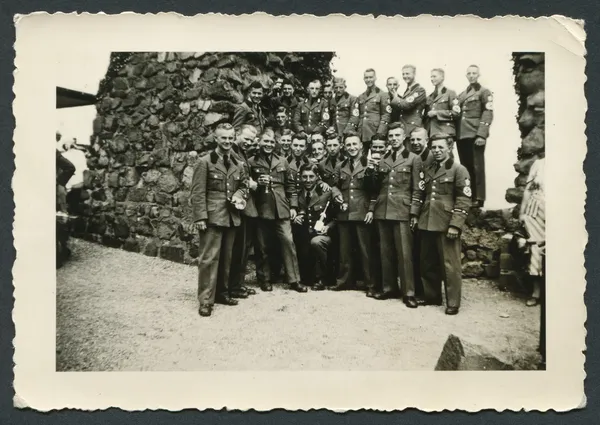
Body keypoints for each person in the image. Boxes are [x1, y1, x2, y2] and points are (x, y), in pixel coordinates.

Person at [190, 123, 249, 317]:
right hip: (212, 217)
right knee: (209, 259)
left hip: (231, 216)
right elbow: (197, 192)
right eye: (223, 138)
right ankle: (206, 300)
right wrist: (200, 217)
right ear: (216, 138)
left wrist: (239, 196)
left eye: (231, 138)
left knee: (227, 258)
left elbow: (243, 185)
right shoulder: (205, 161)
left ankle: (222, 294)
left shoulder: (237, 163)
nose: (227, 141)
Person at [415, 134, 472, 315]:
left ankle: (453, 302)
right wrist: (416, 216)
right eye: (434, 148)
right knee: (427, 261)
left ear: (449, 148)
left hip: (446, 223)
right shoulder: (429, 169)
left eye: (441, 147)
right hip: (427, 220)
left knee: (450, 264)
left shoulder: (458, 170)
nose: (437, 151)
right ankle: (432, 296)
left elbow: (463, 199)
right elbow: (423, 194)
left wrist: (455, 225)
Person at [368, 123, 421, 307]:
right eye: (391, 136)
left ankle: (409, 292)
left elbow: (417, 189)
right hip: (383, 210)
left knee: (404, 254)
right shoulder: (383, 159)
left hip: (402, 210)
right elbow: (376, 188)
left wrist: (414, 212)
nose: (393, 139)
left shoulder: (413, 159)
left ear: (404, 137)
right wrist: (372, 170)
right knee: (386, 252)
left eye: (397, 135)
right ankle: (389, 287)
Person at [248, 128, 306, 293]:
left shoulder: (282, 161)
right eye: (265, 141)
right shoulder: (251, 162)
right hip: (261, 207)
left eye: (271, 142)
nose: (268, 144)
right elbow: (247, 186)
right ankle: (264, 279)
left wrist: (293, 206)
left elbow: (290, 186)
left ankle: (294, 280)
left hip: (282, 208)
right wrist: (257, 183)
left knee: (288, 242)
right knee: (262, 246)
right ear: (259, 142)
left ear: (276, 144)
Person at [331, 133, 377, 296]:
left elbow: (374, 190)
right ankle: (344, 281)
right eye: (348, 145)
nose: (351, 147)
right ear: (344, 147)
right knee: (344, 250)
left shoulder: (369, 164)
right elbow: (335, 185)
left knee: (365, 250)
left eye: (354, 144)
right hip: (345, 211)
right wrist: (337, 196)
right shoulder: (340, 165)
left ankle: (370, 284)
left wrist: (371, 209)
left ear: (361, 146)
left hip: (362, 211)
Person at [292, 163, 338, 290]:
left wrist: (328, 227)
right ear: (300, 177)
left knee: (316, 242)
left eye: (311, 177)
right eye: (304, 177)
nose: (307, 180)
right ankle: (304, 276)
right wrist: (296, 218)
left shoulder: (326, 192)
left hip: (325, 234)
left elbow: (337, 217)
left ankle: (323, 278)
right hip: (306, 232)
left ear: (317, 177)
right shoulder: (298, 194)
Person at [229, 124, 260, 300]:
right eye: (245, 138)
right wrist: (251, 183)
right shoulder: (232, 153)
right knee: (238, 248)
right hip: (238, 206)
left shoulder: (242, 153)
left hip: (247, 207)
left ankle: (239, 283)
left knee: (244, 248)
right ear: (237, 135)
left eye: (251, 140)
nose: (248, 142)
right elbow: (235, 178)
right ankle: (234, 285)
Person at [456, 65, 494, 208]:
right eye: (469, 73)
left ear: (478, 75)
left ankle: (479, 198)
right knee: (466, 167)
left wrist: (482, 135)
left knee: (477, 167)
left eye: (474, 73)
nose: (471, 76)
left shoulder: (484, 92)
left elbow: (488, 112)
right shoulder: (462, 94)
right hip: (462, 135)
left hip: (475, 134)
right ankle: (469, 196)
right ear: (466, 75)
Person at [407, 127, 434, 300]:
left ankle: (430, 293)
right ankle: (418, 289)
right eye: (413, 140)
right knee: (415, 252)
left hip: (429, 210)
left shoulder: (432, 157)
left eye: (419, 139)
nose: (416, 143)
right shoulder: (410, 158)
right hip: (414, 208)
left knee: (428, 255)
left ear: (427, 140)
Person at [519, 155, 546, 307]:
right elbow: (528, 190)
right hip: (535, 211)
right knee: (535, 249)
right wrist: (522, 213)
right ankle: (535, 293)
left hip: (561, 210)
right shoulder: (539, 164)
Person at [389, 65, 427, 141]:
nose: (405, 76)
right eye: (403, 74)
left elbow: (406, 105)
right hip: (405, 127)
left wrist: (396, 98)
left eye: (407, 74)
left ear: (414, 74)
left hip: (413, 128)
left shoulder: (419, 90)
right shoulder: (409, 90)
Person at [355, 69, 391, 150]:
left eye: (371, 77)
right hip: (362, 133)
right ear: (363, 79)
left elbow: (386, 115)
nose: (368, 80)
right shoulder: (361, 96)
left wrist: (380, 132)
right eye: (366, 78)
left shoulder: (382, 94)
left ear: (375, 78)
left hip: (374, 132)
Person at [424, 68, 460, 140]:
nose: (432, 79)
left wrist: (436, 113)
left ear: (442, 77)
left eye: (434, 76)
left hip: (445, 132)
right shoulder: (430, 97)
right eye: (431, 77)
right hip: (431, 133)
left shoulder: (450, 93)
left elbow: (456, 113)